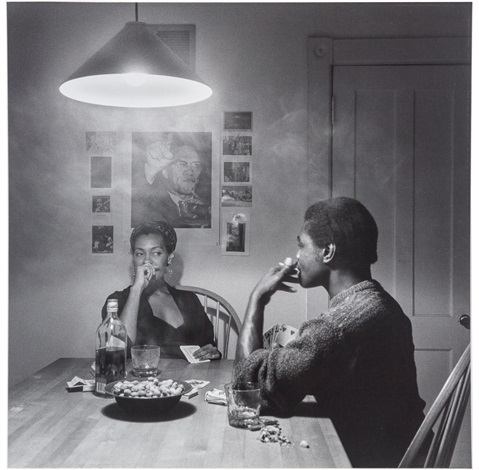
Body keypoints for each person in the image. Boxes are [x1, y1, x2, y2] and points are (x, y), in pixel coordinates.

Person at [233, 197, 427, 468]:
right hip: (401, 452)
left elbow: (248, 388)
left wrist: (258, 298)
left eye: (301, 245)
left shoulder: (336, 327)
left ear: (328, 251)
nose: (297, 255)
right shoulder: (381, 304)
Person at [101, 221, 220, 360]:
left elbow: (208, 347)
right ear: (133, 259)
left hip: (186, 379)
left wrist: (211, 352)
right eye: (139, 254)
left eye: (156, 253)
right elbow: (117, 353)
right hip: (139, 380)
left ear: (169, 258)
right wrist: (137, 289)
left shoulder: (189, 300)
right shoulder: (117, 301)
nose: (147, 261)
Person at [132, 139, 211, 228]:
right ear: (165, 171)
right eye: (182, 164)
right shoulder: (151, 205)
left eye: (196, 165)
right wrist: (150, 171)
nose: (190, 172)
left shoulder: (210, 207)